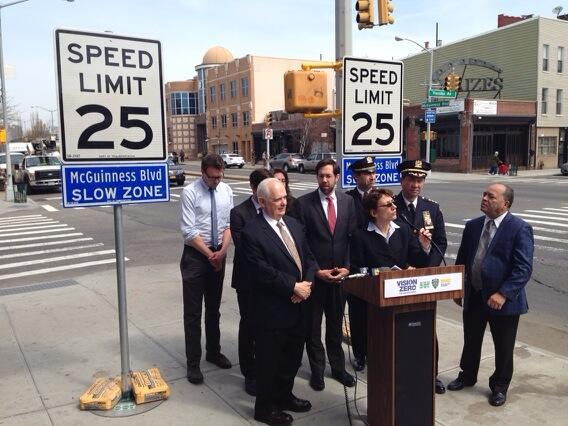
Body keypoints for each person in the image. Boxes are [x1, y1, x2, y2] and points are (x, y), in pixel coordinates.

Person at [448, 183, 534, 407]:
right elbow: (463, 260)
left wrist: (503, 294)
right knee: (471, 340)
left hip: (502, 302)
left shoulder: (519, 228)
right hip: (475, 295)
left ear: (505, 204)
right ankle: (467, 376)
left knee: (503, 347)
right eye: (484, 194)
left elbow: (523, 268)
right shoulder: (473, 226)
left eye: (491, 196)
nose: (484, 198)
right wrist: (459, 288)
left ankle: (499, 386)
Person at [241, 178, 317, 425]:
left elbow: (308, 257)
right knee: (268, 362)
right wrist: (292, 287)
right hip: (272, 312)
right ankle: (264, 408)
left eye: (285, 197)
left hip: (299, 306)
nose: (284, 202)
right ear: (262, 202)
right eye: (277, 199)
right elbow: (260, 271)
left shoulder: (294, 225)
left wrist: (305, 284)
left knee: (291, 359)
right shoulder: (251, 232)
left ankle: (284, 396)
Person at [291, 158, 357, 391]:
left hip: (340, 278)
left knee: (335, 326)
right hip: (315, 277)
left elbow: (351, 239)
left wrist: (347, 267)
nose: (324, 180)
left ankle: (338, 369)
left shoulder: (348, 203)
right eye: (321, 176)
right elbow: (301, 243)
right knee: (313, 327)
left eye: (329, 176)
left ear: (337, 177)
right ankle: (317, 371)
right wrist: (317, 271)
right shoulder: (303, 204)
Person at [394, 159, 448, 394]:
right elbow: (384, 244)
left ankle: (431, 373)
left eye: (420, 179)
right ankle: (401, 372)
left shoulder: (431, 208)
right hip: (399, 279)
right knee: (399, 329)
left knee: (426, 329)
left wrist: (429, 269)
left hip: (425, 281)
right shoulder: (390, 205)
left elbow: (441, 243)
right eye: (411, 179)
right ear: (402, 180)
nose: (416, 184)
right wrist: (405, 267)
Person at [179, 154, 233, 384]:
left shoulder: (226, 191)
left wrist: (221, 251)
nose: (216, 182)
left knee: (213, 309)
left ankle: (214, 351)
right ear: (203, 173)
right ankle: (193, 363)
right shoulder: (190, 192)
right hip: (195, 257)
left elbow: (230, 224)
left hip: (218, 254)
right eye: (211, 178)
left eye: (219, 177)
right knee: (193, 313)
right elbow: (189, 231)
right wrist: (209, 254)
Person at [230, 168, 272, 396]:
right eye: (263, 189)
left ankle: (266, 367)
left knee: (267, 325)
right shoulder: (239, 213)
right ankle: (249, 372)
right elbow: (246, 249)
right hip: (248, 281)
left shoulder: (275, 208)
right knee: (248, 325)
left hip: (271, 281)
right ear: (253, 189)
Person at [344, 156, 376, 371]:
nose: (370, 176)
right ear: (356, 176)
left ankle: (376, 350)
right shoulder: (347, 200)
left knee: (376, 313)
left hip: (377, 264)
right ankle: (360, 354)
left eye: (372, 172)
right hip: (356, 264)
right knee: (357, 313)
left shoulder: (381, 197)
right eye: (365, 173)